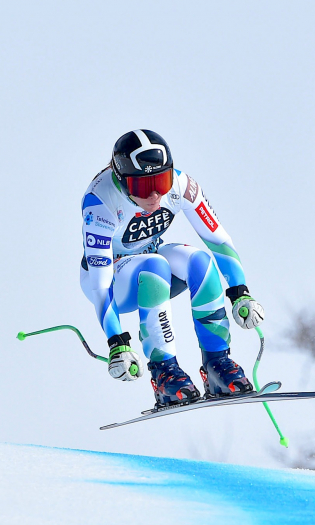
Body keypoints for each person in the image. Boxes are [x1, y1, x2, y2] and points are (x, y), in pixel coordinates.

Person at [80, 129, 265, 408]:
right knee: (154, 265)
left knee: (199, 261)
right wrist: (117, 342)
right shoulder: (100, 202)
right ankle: (164, 372)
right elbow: (101, 283)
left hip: (151, 259)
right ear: (121, 181)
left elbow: (218, 240)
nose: (155, 195)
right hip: (114, 279)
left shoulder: (181, 186)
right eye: (143, 187)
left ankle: (218, 365)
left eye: (161, 181)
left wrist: (241, 292)